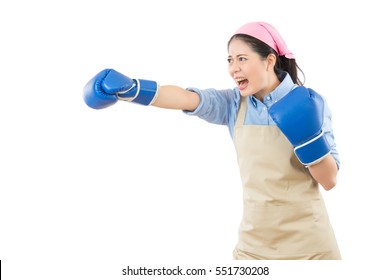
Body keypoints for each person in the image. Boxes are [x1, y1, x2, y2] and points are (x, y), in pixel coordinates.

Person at [83, 21, 341, 260]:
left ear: (269, 60)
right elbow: (185, 97)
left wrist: (308, 138)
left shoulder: (308, 103)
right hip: (254, 247)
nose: (233, 68)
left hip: (311, 246)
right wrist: (132, 89)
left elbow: (329, 180)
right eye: (230, 60)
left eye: (242, 58)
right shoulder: (232, 103)